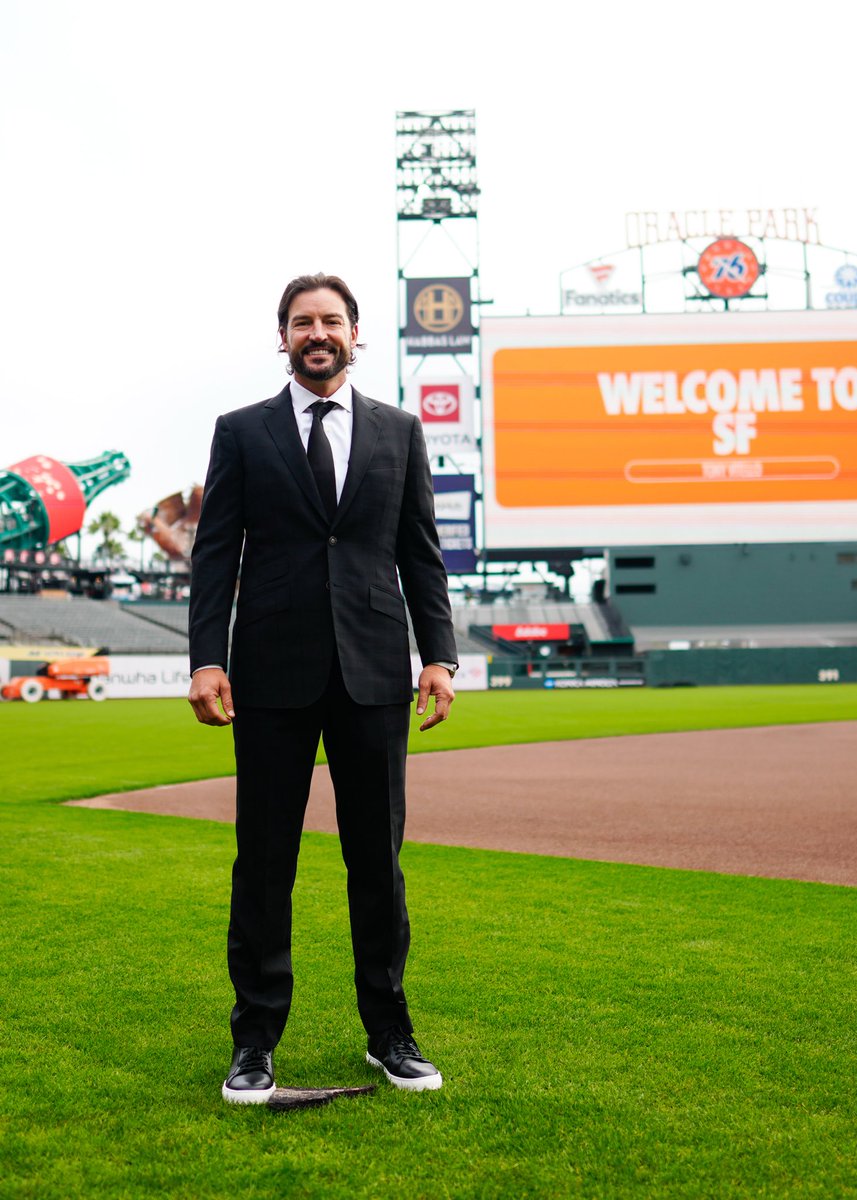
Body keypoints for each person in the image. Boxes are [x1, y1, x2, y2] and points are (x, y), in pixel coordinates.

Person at [187, 273, 457, 1104]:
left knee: (377, 861)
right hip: (269, 675)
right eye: (302, 321)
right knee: (264, 865)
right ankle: (255, 1042)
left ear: (354, 333)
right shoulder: (241, 432)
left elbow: (421, 553)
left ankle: (389, 1033)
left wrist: (438, 657)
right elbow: (214, 554)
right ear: (283, 337)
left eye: (330, 320)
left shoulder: (400, 432)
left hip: (376, 672)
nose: (317, 333)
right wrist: (205, 660)